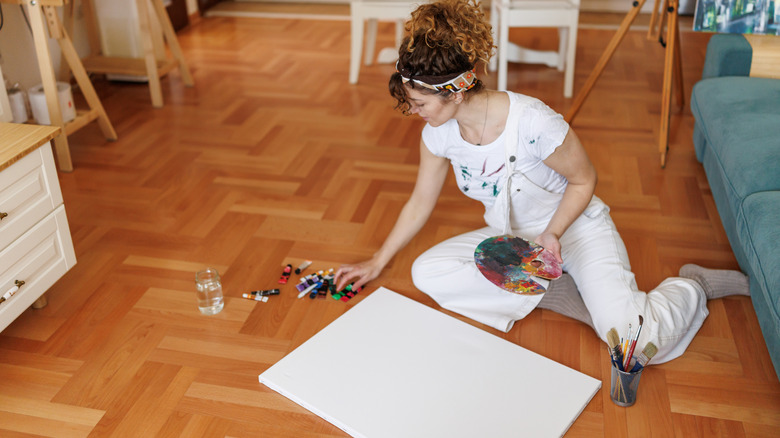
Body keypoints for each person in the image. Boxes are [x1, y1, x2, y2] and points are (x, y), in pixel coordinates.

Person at [334, 0, 749, 364]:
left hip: (576, 229)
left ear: (456, 93)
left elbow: (585, 181)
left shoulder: (533, 121)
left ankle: (693, 285)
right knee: (428, 272)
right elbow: (419, 203)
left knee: (633, 346)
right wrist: (376, 261)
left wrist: (553, 234)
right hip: (516, 241)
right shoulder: (438, 134)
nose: (413, 111)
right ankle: (566, 295)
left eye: (420, 103)